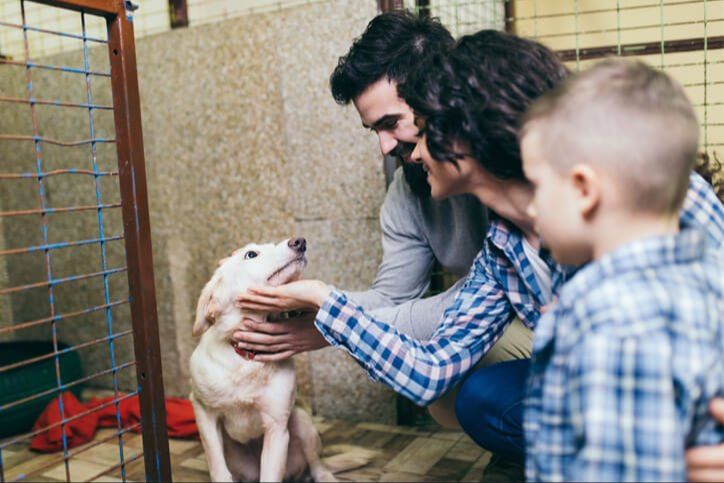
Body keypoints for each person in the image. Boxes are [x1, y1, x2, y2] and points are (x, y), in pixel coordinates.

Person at [236, 30, 724, 468]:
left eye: (420, 129)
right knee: (475, 396)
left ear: (463, 128)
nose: (408, 149)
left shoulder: (642, 198)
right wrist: (324, 302)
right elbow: (429, 370)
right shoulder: (502, 248)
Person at [233, 11, 532, 429]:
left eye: (394, 123)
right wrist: (324, 311)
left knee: (483, 374)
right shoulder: (467, 226)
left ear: (444, 99)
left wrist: (331, 321)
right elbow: (408, 317)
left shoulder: (538, 188)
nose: (384, 147)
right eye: (372, 130)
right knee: (448, 394)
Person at [519, 58, 723, 481]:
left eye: (537, 185)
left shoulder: (614, 321)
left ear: (584, 189)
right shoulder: (710, 273)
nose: (532, 207)